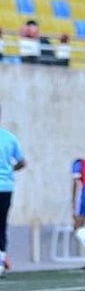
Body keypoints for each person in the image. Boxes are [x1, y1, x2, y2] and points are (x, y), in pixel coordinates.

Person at [0, 104, 26, 278]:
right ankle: (1, 262)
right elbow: (22, 162)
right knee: (1, 225)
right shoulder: (10, 138)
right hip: (5, 187)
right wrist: (10, 169)